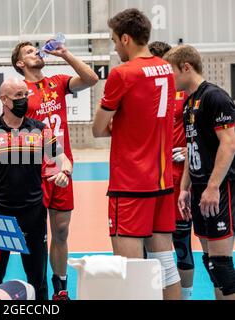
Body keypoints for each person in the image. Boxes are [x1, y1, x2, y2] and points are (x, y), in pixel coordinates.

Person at [92, 8, 181, 299]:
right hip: (162, 180)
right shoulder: (166, 69)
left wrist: (120, 125)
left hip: (130, 183)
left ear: (126, 38)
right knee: (166, 265)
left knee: (129, 270)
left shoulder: (123, 73)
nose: (115, 46)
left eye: (115, 40)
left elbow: (97, 128)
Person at [0, 78, 72, 300]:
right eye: (18, 96)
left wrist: (65, 172)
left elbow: (63, 158)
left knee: (38, 279)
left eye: (26, 95)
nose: (24, 99)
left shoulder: (40, 129)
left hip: (33, 213)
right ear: (4, 100)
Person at [11, 35, 98, 300]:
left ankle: (60, 287)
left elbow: (92, 79)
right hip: (34, 170)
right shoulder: (18, 89)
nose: (36, 53)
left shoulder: (57, 82)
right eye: (29, 51)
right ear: (19, 62)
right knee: (36, 235)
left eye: (35, 50)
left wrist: (65, 54)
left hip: (62, 166)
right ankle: (37, 288)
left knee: (61, 231)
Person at [165, 45, 235, 300]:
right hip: (198, 189)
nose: (169, 79)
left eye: (171, 71)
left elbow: (229, 144)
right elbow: (189, 147)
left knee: (222, 264)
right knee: (211, 262)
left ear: (186, 67)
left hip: (218, 189)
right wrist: (185, 188)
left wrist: (213, 186)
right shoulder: (188, 103)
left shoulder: (214, 97)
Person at [149, 41, 195, 300]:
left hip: (179, 178)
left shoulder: (185, 92)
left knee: (181, 244)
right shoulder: (145, 92)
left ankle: (185, 296)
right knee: (149, 244)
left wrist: (191, 150)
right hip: (149, 178)